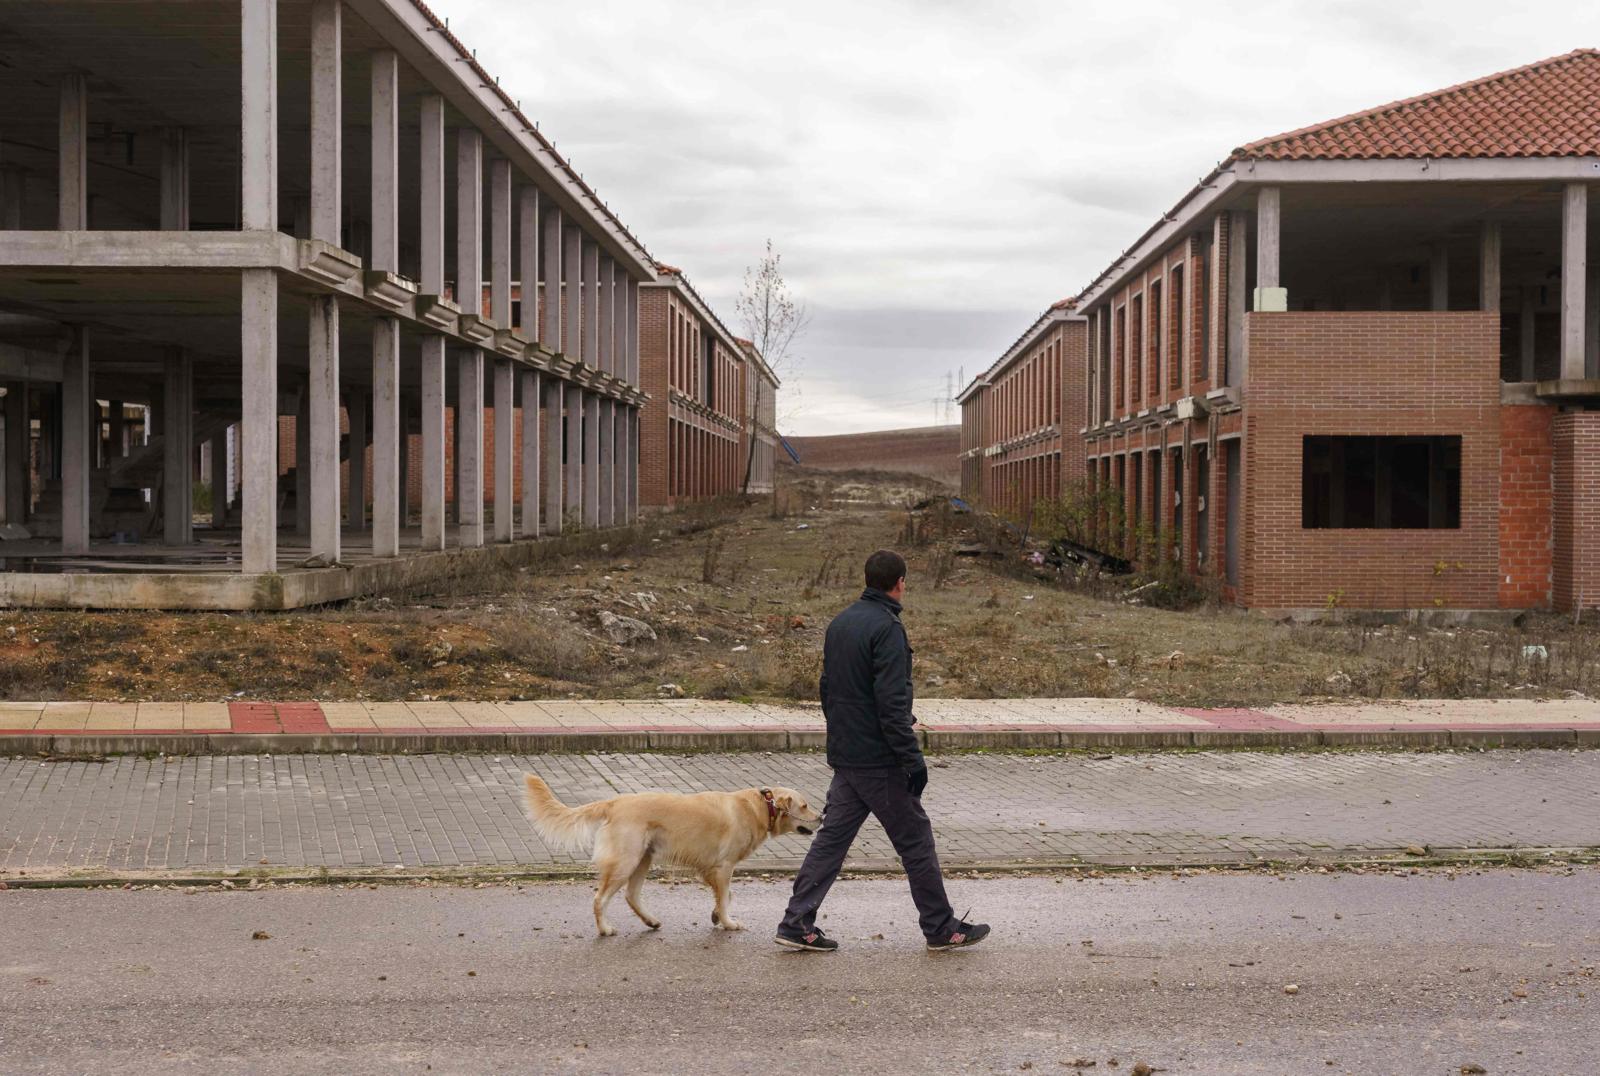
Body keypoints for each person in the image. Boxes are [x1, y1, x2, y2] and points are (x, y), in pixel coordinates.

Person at [775, 548, 990, 953]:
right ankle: (942, 928)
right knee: (915, 841)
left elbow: (827, 690)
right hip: (880, 760)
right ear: (900, 583)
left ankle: (796, 922)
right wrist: (913, 759)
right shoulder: (887, 629)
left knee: (831, 842)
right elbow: (893, 704)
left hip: (847, 755)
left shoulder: (841, 623)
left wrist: (844, 734)